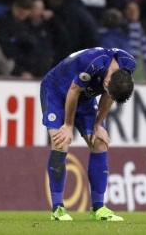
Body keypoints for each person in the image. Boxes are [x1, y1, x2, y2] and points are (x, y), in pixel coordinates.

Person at [40, 47, 135, 221]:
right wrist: (68, 125)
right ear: (106, 81)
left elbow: (109, 95)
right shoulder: (92, 63)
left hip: (83, 98)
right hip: (56, 91)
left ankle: (98, 208)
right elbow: (73, 91)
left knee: (99, 141)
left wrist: (98, 124)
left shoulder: (128, 65)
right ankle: (58, 209)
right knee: (60, 141)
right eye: (108, 91)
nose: (109, 96)